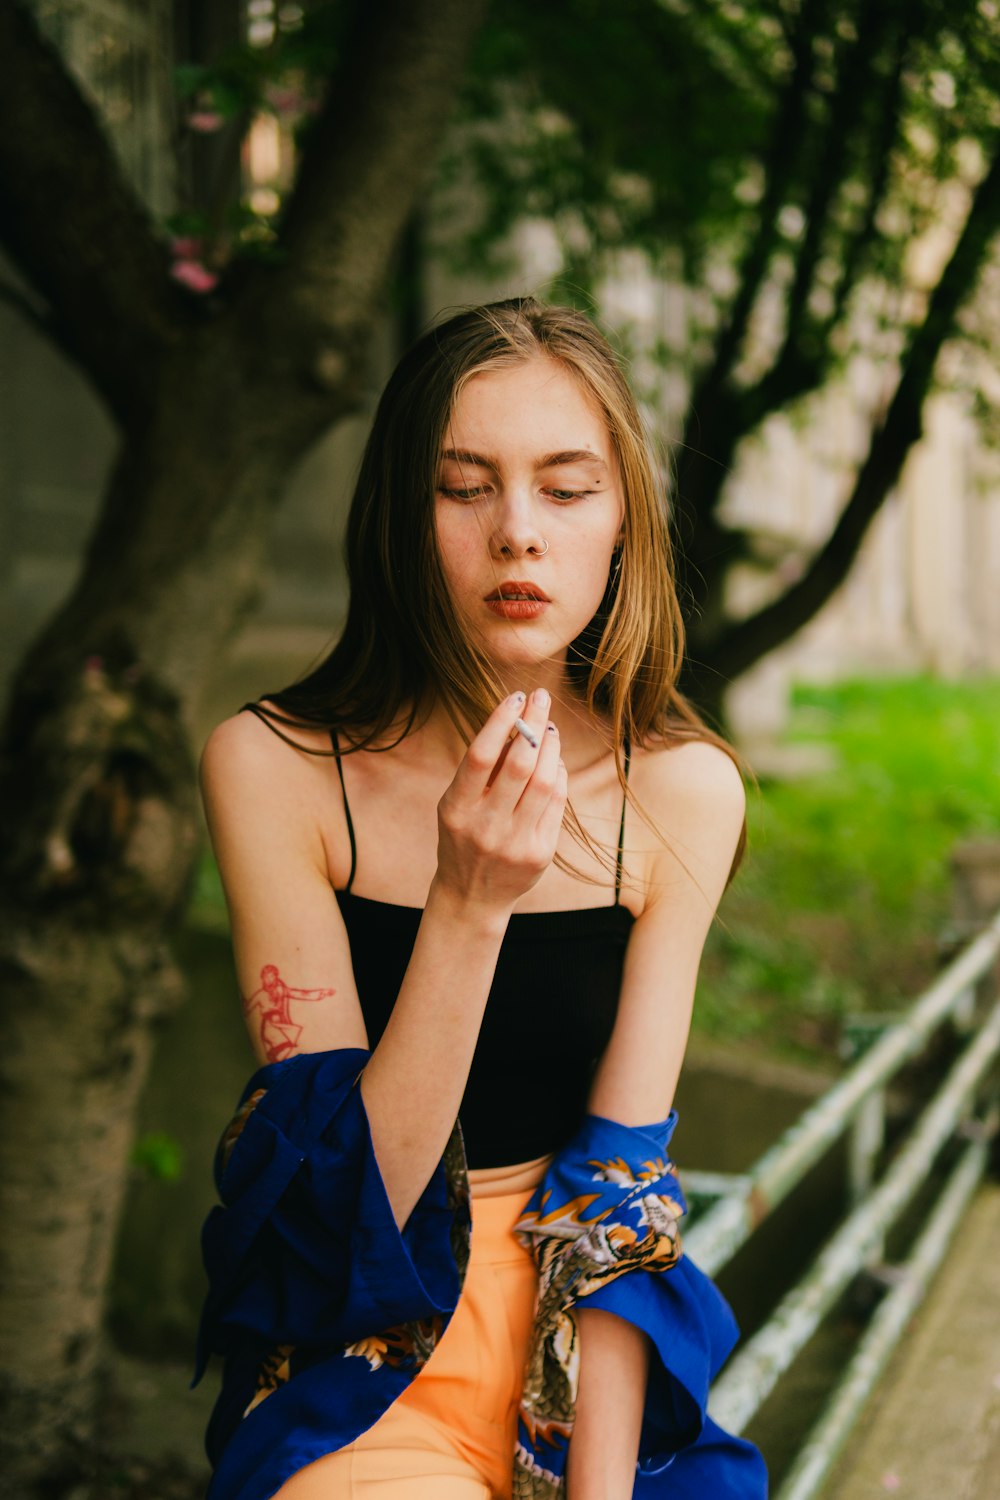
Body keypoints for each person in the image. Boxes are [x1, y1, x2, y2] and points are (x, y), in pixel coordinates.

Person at [194, 297, 769, 1500]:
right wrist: (466, 905)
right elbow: (343, 1215)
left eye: (566, 489)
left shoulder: (684, 792)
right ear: (404, 518)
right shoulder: (278, 770)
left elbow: (617, 1196)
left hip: (586, 1364)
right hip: (364, 1366)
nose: (519, 534)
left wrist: (593, 1486)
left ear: (624, 523)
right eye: (465, 488)